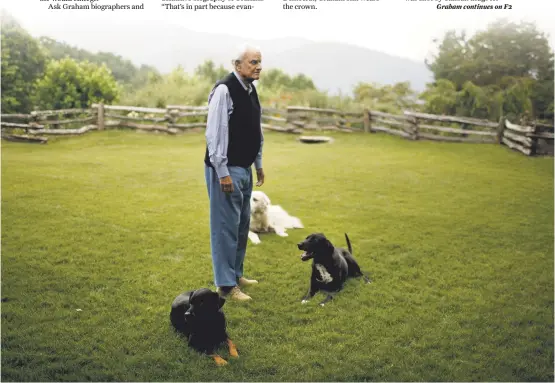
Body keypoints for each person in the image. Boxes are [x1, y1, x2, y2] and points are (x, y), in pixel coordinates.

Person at [204, 44, 265, 301]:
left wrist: (258, 162)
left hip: (244, 168)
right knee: (225, 228)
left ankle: (236, 274)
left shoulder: (251, 90)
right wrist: (222, 172)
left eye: (260, 62)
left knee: (241, 226)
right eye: (253, 62)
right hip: (226, 169)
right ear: (237, 65)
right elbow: (214, 133)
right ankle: (226, 287)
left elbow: (255, 129)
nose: (258, 67)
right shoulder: (224, 90)